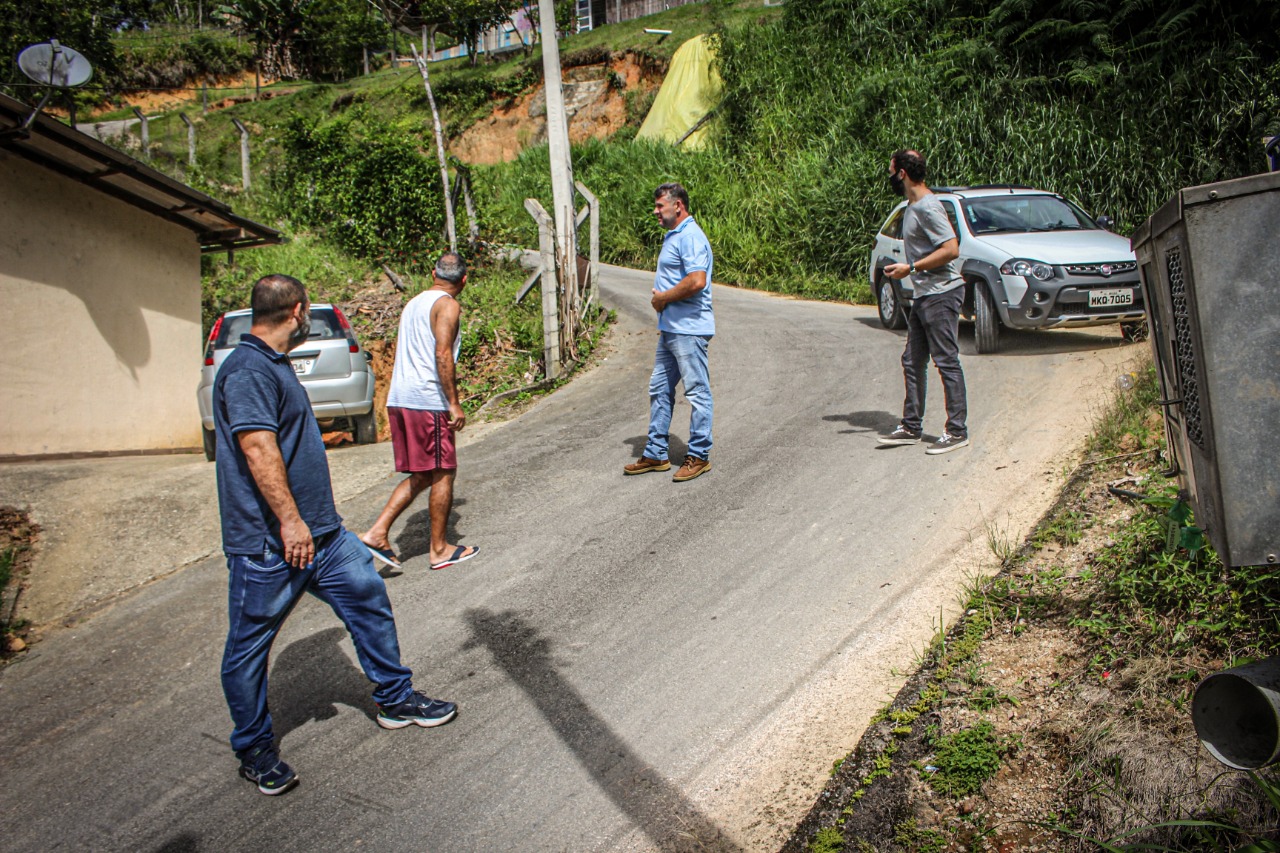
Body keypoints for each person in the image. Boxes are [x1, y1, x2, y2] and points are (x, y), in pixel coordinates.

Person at [213, 274, 457, 797]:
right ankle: (255, 749)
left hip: (324, 535)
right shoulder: (248, 369)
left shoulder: (271, 365)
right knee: (249, 648)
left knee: (368, 598)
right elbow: (257, 449)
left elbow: (278, 437)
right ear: (298, 311)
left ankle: (395, 699)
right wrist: (291, 521)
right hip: (270, 544)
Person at [359, 252, 480, 571]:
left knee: (425, 472)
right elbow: (442, 354)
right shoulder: (448, 305)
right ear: (464, 280)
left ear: (433, 274)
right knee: (444, 471)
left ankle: (377, 532)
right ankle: (439, 549)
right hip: (427, 399)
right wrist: (453, 402)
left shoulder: (414, 303)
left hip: (401, 398)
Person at [877, 149, 970, 454]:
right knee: (912, 360)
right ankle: (910, 426)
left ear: (902, 173)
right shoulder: (911, 206)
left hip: (942, 293)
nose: (890, 177)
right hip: (925, 294)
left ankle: (957, 431)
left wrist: (912, 268)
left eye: (891, 171)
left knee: (946, 361)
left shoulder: (929, 207)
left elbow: (952, 248)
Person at [624, 183, 716, 482]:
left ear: (678, 205)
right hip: (671, 330)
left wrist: (662, 298)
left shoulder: (690, 236)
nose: (655, 211)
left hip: (689, 330)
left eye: (660, 206)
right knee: (659, 390)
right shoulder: (674, 235)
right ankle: (656, 453)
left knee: (697, 392)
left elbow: (697, 280)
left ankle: (699, 455)